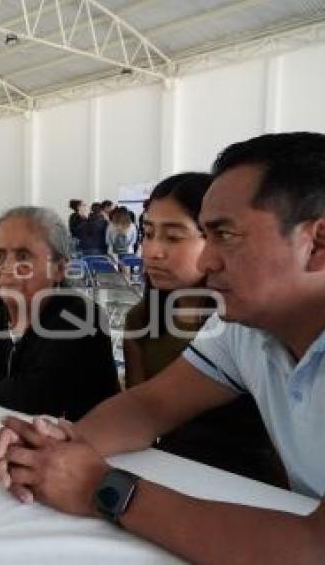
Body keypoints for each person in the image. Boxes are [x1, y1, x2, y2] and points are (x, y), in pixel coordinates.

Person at [0, 132, 325, 563]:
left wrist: (101, 489)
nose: (206, 261)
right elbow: (151, 405)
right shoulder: (246, 331)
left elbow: (317, 547)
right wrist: (55, 447)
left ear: (318, 243)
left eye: (225, 234)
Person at [124, 172, 285, 486]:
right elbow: (141, 413)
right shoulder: (141, 320)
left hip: (254, 483)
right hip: (172, 472)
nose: (153, 251)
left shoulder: (248, 325)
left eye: (173, 237)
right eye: (148, 233)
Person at [0, 206, 119, 418]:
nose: (7, 267)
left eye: (23, 256)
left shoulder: (81, 319)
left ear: (59, 269)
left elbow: (30, 400)